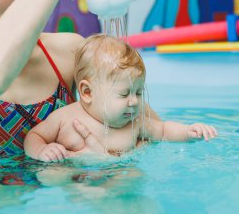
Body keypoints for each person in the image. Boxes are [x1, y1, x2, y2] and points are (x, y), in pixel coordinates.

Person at [0, 0, 161, 157]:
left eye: (28, 12)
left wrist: (112, 158)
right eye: (3, 22)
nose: (23, 29)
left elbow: (151, 129)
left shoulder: (66, 52)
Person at [24, 35, 218, 161]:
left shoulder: (135, 122)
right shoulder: (64, 119)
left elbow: (164, 130)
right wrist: (41, 151)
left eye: (139, 92)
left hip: (122, 178)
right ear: (87, 92)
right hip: (81, 185)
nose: (134, 101)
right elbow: (34, 136)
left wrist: (189, 132)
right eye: (124, 94)